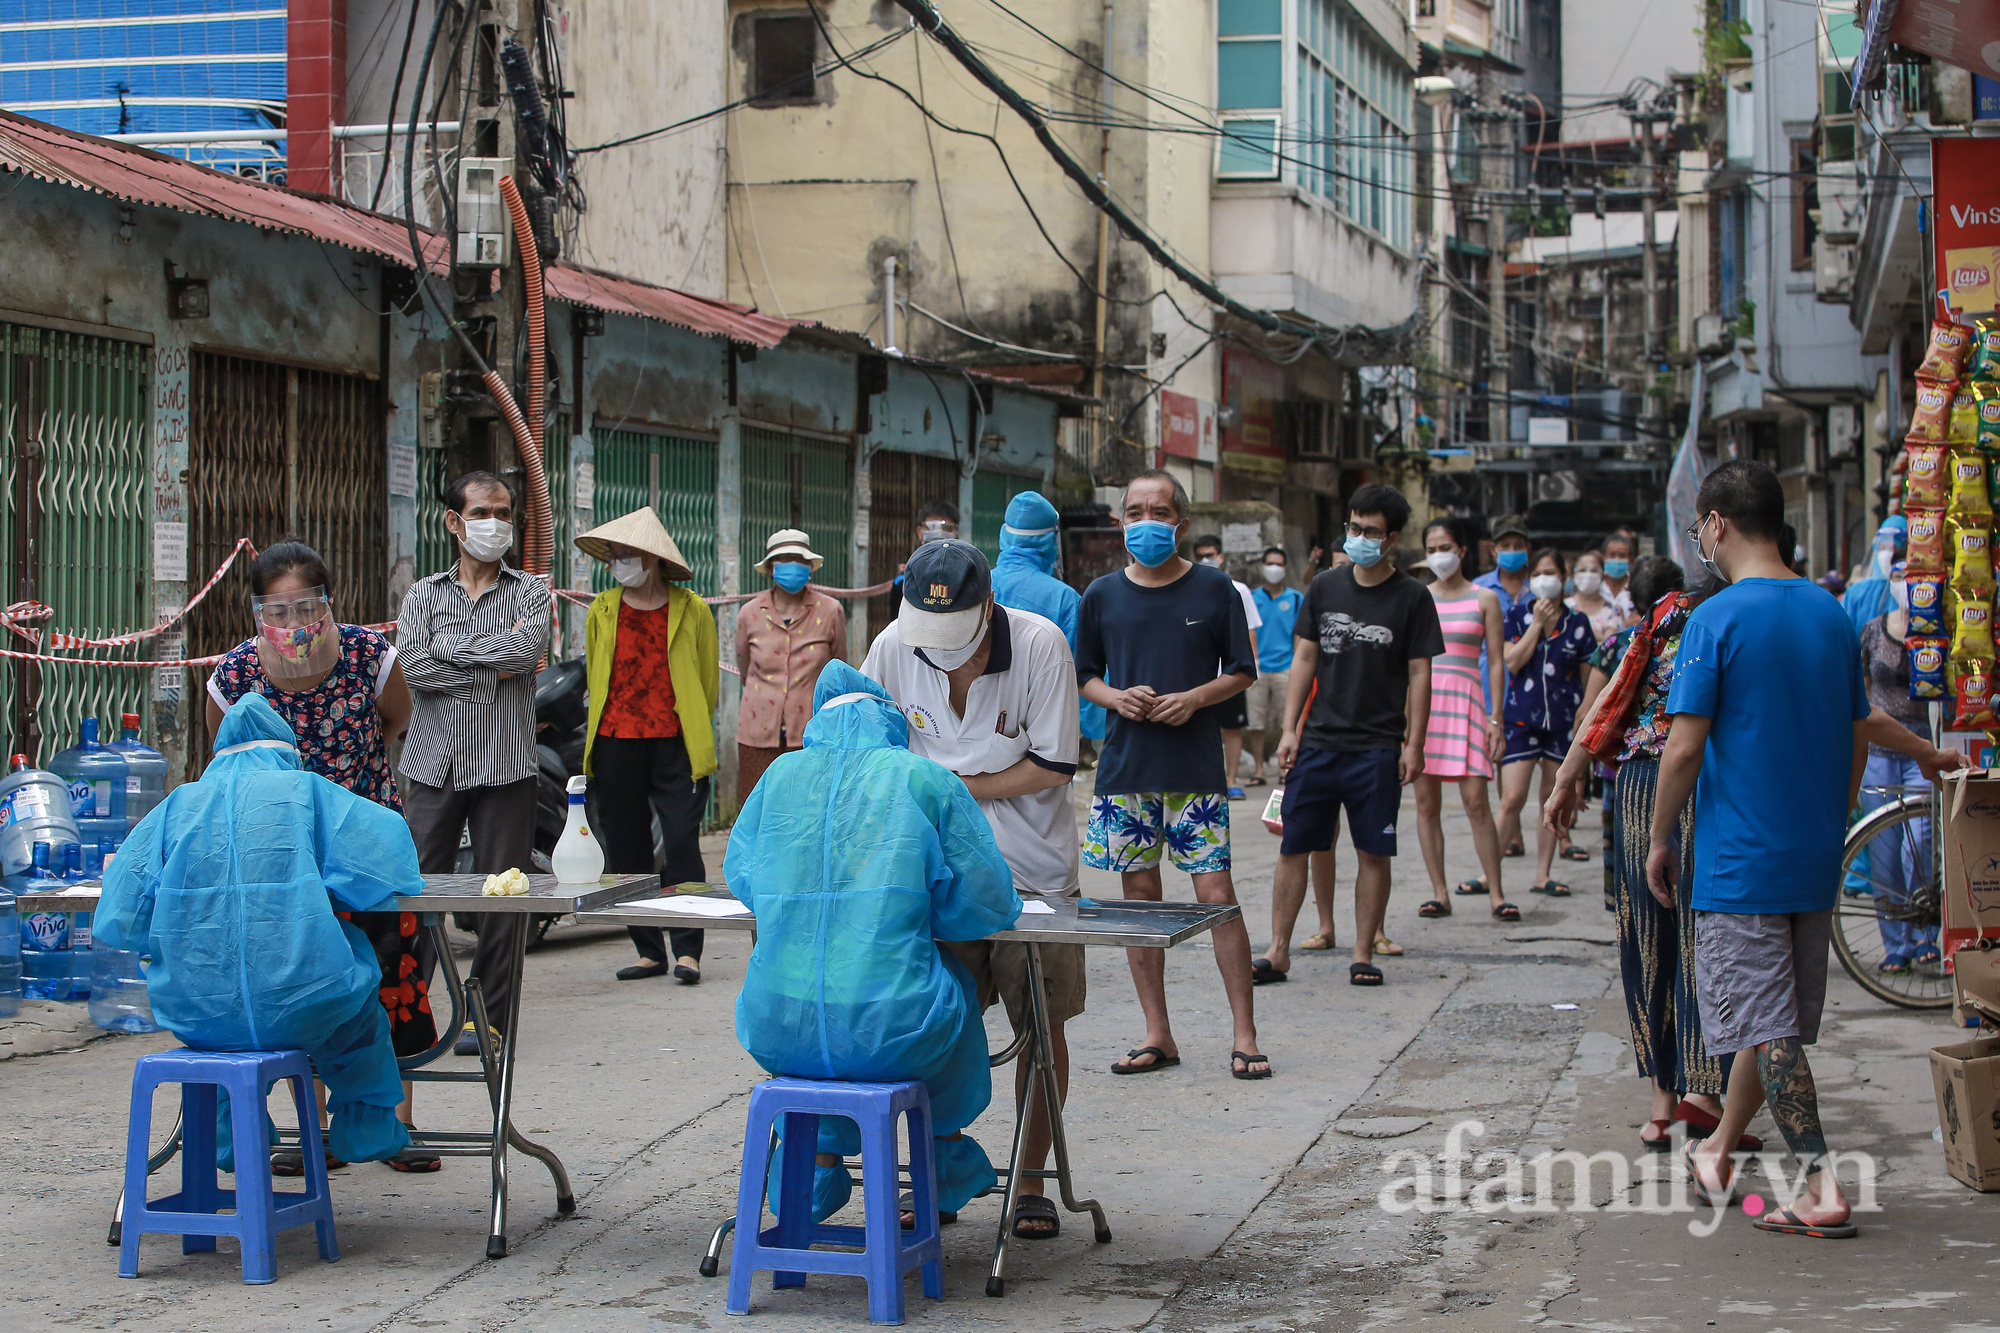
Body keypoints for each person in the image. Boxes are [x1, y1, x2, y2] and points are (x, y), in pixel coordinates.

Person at [1648, 459, 1871, 1238]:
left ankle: (1819, 1183)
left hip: (1741, 860)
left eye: (1699, 526)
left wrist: (1658, 834)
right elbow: (1857, 739)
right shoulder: (1831, 612)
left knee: (1766, 1028)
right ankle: (1715, 1150)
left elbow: (1682, 748)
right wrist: (1832, 820)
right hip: (1812, 854)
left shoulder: (1715, 618)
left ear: (1715, 525)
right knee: (1771, 1019)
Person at [723, 660, 1022, 1225]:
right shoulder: (922, 779)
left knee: (825, 1030)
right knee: (947, 987)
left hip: (775, 1023)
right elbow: (987, 902)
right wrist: (909, 906)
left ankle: (813, 1163)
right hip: (894, 1028)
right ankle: (944, 1152)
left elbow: (745, 876)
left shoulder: (780, 775)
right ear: (889, 720)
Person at [96, 695, 423, 1171]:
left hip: (196, 1012)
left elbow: (118, 915)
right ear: (284, 750)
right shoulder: (306, 792)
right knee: (352, 991)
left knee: (218, 1034)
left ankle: (227, 1142)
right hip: (303, 1003)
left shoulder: (177, 805)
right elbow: (389, 851)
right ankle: (366, 1124)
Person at [862, 538, 1082, 1240]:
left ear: (988, 607)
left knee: (1041, 1028)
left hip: (1031, 872)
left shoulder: (1042, 646)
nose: (939, 651)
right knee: (934, 1027)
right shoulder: (896, 644)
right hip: (930, 872)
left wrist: (952, 788)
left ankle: (1030, 1182)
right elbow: (866, 743)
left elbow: (1052, 764)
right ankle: (939, 1178)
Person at [205, 540, 435, 1173]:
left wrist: (347, 800)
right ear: (256, 613)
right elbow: (228, 761)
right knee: (305, 983)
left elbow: (393, 726)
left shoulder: (370, 659)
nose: (292, 624)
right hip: (282, 863)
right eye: (276, 611)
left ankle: (394, 1126)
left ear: (329, 604)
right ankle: (319, 1132)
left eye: (306, 607)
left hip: (368, 851)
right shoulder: (234, 677)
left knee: (392, 979)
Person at [1543, 556, 1742, 1152]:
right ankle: (1702, 1099)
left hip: (1637, 784)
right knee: (1703, 938)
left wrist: (1566, 777)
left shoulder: (1654, 624)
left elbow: (1606, 703)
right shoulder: (1737, 619)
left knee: (1646, 941)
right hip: (1704, 784)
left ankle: (1661, 1105)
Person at [1077, 468, 1267, 1078]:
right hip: (1126, 769)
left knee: (1216, 897)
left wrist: (1195, 698)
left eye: (1159, 512)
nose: (1146, 523)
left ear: (1180, 524)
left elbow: (1242, 670)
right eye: (1135, 512)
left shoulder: (1216, 590)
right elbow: (1084, 674)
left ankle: (1245, 1034)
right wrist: (1113, 699)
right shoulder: (1100, 595)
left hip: (1194, 772)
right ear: (1120, 521)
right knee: (1140, 902)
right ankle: (1159, 1033)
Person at [396, 471, 551, 1057]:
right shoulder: (423, 594)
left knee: (504, 895)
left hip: (507, 764)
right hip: (434, 763)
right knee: (417, 892)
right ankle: (409, 1011)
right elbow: (413, 667)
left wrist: (452, 654)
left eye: (505, 513)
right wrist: (489, 660)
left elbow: (526, 651)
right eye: (484, 512)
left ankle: (485, 1019)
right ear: (454, 522)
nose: (496, 524)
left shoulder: (532, 593)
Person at [1264, 484, 1444, 985]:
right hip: (1318, 741)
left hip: (1378, 748)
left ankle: (1362, 953)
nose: (1360, 538)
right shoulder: (1324, 587)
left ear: (1391, 539)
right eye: (1354, 528)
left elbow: (1420, 674)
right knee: (1293, 846)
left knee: (1373, 851)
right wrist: (1288, 730)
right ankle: (1278, 951)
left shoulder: (1412, 596)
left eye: (1371, 531)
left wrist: (1414, 743)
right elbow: (1305, 657)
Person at [577, 506, 720, 985]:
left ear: (654, 558)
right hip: (617, 741)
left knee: (681, 842)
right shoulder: (601, 609)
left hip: (676, 743)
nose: (620, 561)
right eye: (615, 554)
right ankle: (647, 949)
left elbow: (706, 682)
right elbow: (597, 674)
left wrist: (692, 725)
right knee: (626, 848)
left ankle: (687, 949)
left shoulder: (693, 609)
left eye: (629, 553)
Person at [1410, 518, 1509, 922]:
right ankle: (1439, 893)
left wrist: (1496, 717)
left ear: (1463, 551)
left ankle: (1497, 893)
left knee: (1476, 802)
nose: (1440, 555)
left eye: (1446, 547)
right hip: (1425, 705)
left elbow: (1498, 662)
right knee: (1426, 803)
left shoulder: (1485, 598)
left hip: (1468, 703)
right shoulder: (1417, 597)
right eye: (1432, 548)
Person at [1854, 561, 1944, 972]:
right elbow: (1861, 694)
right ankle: (1896, 945)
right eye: (1901, 578)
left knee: (1918, 845)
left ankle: (1926, 932)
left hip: (1920, 750)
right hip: (1878, 753)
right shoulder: (1872, 630)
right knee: (1884, 854)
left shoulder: (1935, 633)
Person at [1491, 548, 1595, 898]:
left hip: (1563, 722)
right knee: (1512, 797)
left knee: (1551, 798)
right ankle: (1492, 879)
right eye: (1539, 573)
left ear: (1563, 578)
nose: (1545, 579)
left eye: (1552, 572)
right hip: (1521, 718)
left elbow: (1585, 682)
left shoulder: (1578, 624)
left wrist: (1584, 729)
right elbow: (1512, 662)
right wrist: (1536, 624)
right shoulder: (1517, 615)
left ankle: (1543, 874)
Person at [988, 490, 1107, 754]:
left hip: (975, 728)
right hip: (1044, 737)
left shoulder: (978, 585)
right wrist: (1098, 732)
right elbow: (1083, 674)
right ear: (1051, 539)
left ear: (1004, 534)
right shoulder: (1065, 600)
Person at [736, 528, 847, 802]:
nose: (791, 565)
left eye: (798, 559)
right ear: (771, 567)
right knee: (757, 808)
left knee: (806, 809)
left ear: (810, 566)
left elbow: (838, 669)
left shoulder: (831, 611)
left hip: (811, 733)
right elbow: (744, 667)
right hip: (757, 731)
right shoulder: (749, 613)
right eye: (783, 559)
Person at [1193, 533, 1263, 800]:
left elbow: (1250, 630)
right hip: (1199, 677)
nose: (1205, 560)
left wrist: (1251, 666)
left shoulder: (1238, 589)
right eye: (1200, 556)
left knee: (1232, 728)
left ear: (1220, 557)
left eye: (1210, 555)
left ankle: (1231, 780)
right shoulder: (1190, 588)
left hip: (1229, 675)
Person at [1245, 545, 1303, 789]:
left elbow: (1300, 636)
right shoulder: (1251, 597)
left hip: (1285, 668)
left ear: (1286, 568)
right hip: (1257, 669)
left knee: (1285, 722)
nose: (1274, 568)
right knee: (1256, 723)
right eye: (1270, 563)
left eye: (1279, 564)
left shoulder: (1296, 598)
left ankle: (1284, 769)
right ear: (1262, 567)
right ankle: (1259, 770)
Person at [1841, 517, 1904, 632]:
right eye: (1882, 547)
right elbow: (1841, 635)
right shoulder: (1857, 593)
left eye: (1893, 547)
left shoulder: (1912, 590)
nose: (1886, 553)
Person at [1567, 548, 1624, 646]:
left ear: (1602, 575)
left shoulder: (1613, 609)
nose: (1588, 575)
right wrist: (1599, 637)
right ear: (1574, 573)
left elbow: (1610, 644)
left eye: (1593, 570)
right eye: (1582, 570)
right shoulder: (1565, 606)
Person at [1600, 532, 1637, 622]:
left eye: (1622, 555)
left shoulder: (1636, 588)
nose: (1617, 559)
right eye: (1612, 555)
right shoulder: (1596, 587)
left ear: (1630, 559)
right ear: (1603, 557)